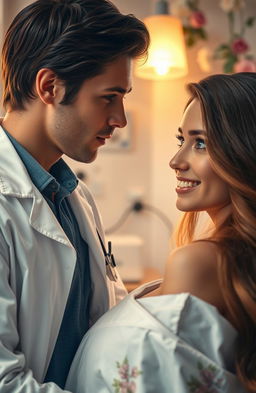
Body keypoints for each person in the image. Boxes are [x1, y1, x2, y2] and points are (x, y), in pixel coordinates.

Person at [65, 72, 256, 393]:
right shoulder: (228, 258)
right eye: (181, 140)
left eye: (200, 143)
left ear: (244, 152)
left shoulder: (198, 262)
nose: (176, 161)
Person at [0, 0, 149, 391]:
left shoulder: (72, 194)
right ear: (50, 86)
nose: (120, 119)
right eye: (109, 97)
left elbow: (102, 320)